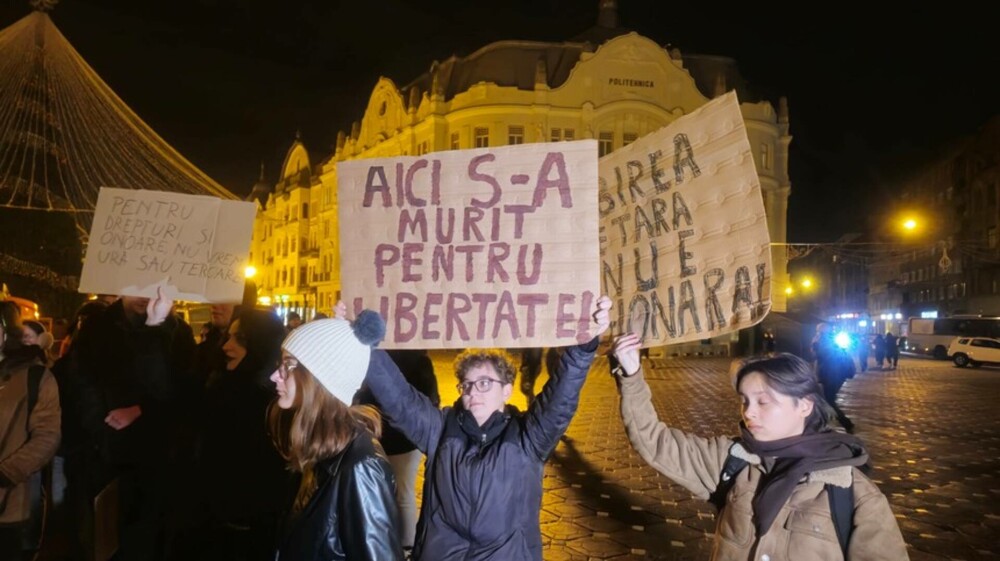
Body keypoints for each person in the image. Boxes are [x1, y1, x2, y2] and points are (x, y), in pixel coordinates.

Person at [611, 333, 909, 560]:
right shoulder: (732, 461)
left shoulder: (854, 496)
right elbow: (654, 440)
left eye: (763, 401)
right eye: (744, 401)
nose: (748, 412)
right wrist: (631, 373)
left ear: (804, 405)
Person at [358, 296, 611, 561]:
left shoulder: (528, 438)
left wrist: (583, 348)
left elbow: (559, 402)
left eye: (484, 383)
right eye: (466, 385)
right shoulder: (440, 429)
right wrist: (368, 346)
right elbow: (401, 401)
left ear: (507, 390)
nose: (473, 392)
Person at [65, 289, 196, 560]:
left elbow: (181, 391)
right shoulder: (97, 327)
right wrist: (100, 430)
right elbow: (80, 382)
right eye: (136, 286)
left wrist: (142, 410)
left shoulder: (177, 332)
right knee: (98, 537)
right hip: (101, 452)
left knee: (144, 538)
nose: (144, 295)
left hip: (154, 456)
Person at [269, 311, 402, 561]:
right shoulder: (320, 445)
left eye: (287, 364)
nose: (275, 375)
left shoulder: (362, 467)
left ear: (320, 377)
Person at [175, 309, 290, 561]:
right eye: (228, 336)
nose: (227, 345)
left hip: (246, 528)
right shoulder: (220, 382)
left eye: (239, 338)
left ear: (260, 342)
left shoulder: (274, 402)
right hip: (213, 520)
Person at [355, 349, 439, 553]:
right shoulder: (419, 361)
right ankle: (405, 544)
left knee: (385, 493)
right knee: (403, 492)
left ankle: (398, 542)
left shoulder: (375, 357)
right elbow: (432, 399)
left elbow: (361, 395)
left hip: (385, 435)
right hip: (401, 438)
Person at [0, 301, 61, 561]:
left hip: (7, 503)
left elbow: (47, 436)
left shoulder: (35, 377)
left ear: (6, 332)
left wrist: (6, 474)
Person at [812, 323, 855, 433]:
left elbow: (820, 356)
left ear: (821, 331)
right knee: (826, 399)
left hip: (832, 374)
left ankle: (844, 422)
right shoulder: (831, 340)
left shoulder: (824, 341)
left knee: (828, 400)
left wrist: (815, 345)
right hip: (834, 374)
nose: (817, 333)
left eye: (818, 331)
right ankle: (826, 423)